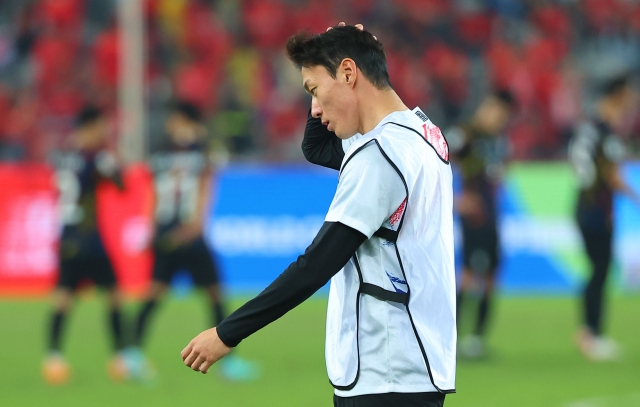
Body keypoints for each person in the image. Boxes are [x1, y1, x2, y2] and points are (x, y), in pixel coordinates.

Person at [181, 25, 456, 407]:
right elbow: (316, 146)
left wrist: (227, 333)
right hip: (419, 358)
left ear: (348, 73)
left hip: (385, 370)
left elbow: (315, 265)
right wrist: (335, 65)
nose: (315, 108)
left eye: (313, 90)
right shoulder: (422, 135)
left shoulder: (378, 158)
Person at [128, 101, 259, 381]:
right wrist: (194, 225)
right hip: (188, 234)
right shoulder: (202, 153)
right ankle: (229, 364)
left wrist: (151, 230)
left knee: (160, 294)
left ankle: (132, 356)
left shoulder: (161, 153)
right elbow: (205, 190)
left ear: (182, 120)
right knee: (210, 295)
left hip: (169, 232)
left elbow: (153, 194)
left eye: (174, 119)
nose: (170, 125)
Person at [42, 107, 127, 384]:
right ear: (90, 128)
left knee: (63, 298)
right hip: (89, 239)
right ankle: (119, 359)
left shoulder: (63, 156)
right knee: (113, 295)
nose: (104, 132)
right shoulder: (97, 157)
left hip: (66, 235)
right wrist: (113, 157)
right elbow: (120, 184)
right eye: (101, 127)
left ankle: (53, 359)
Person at [568, 75, 639, 361]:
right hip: (595, 210)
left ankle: (592, 333)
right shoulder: (603, 130)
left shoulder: (590, 128)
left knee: (599, 269)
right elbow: (610, 174)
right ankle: (590, 334)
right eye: (629, 96)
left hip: (589, 207)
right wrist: (635, 196)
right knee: (599, 269)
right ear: (617, 95)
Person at [447, 91, 515, 358]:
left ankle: (476, 339)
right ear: (486, 108)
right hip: (474, 217)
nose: (500, 118)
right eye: (496, 111)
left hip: (492, 217)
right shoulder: (465, 134)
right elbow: (435, 160)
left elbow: (500, 173)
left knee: (490, 277)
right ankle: (448, 339)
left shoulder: (498, 141)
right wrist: (454, 199)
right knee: (467, 275)